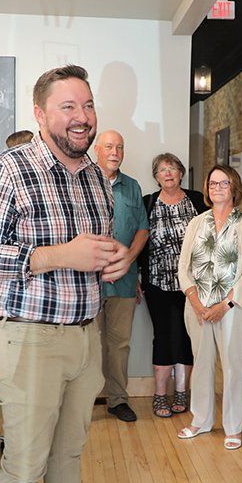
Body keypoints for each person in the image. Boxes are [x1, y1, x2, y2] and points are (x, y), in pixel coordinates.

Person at [0, 65, 130, 483]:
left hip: (85, 336)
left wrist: (112, 260)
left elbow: (93, 251)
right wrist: (59, 255)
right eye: (68, 106)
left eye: (88, 105)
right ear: (40, 113)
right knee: (24, 465)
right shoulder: (9, 170)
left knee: (69, 453)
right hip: (28, 339)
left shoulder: (96, 178)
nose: (82, 117)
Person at [176, 165, 242, 450]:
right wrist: (196, 303)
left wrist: (224, 306)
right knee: (201, 364)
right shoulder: (196, 223)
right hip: (197, 308)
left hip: (232, 309)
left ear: (234, 188)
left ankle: (233, 427)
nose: (217, 188)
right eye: (213, 184)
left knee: (234, 367)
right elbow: (183, 266)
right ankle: (201, 420)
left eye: (224, 183)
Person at [139, 154, 207, 418]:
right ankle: (160, 394)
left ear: (181, 173)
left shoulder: (197, 200)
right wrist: (137, 276)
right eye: (162, 170)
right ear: (156, 177)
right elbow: (140, 240)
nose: (168, 173)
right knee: (163, 335)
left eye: (173, 169)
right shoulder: (148, 202)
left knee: (187, 335)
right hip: (157, 281)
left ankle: (181, 391)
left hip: (191, 284)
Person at [93, 130, 149, 422]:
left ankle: (117, 400)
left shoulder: (132, 186)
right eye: (109, 147)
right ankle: (84, 400)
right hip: (87, 282)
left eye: (120, 147)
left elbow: (142, 229)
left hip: (124, 281)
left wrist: (127, 260)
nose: (115, 152)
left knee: (119, 344)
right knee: (87, 344)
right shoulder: (81, 182)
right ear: (96, 150)